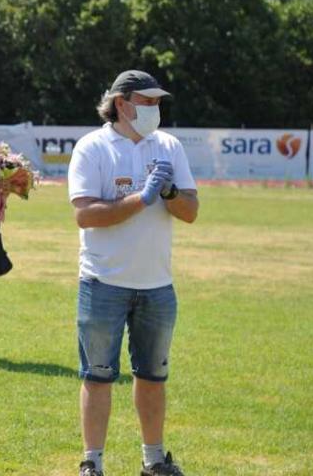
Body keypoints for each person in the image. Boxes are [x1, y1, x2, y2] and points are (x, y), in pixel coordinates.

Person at [67, 70, 199, 476]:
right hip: (103, 282)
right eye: (147, 101)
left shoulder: (169, 146)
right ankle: (92, 462)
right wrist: (141, 199)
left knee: (153, 377)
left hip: (157, 284)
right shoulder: (93, 147)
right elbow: (86, 215)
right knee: (98, 376)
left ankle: (153, 460)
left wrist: (169, 192)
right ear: (121, 104)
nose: (155, 109)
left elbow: (191, 211)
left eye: (158, 102)